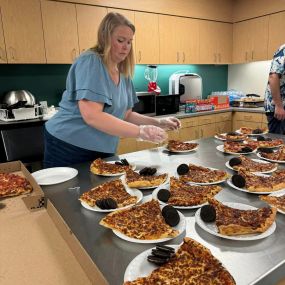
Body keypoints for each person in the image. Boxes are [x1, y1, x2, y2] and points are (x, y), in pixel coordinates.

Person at [44, 12, 180, 168]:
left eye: (129, 42)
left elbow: (126, 114)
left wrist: (158, 123)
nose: (126, 47)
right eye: (120, 40)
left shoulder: (123, 71)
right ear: (105, 38)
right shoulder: (91, 61)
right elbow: (92, 116)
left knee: (106, 191)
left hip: (103, 147)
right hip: (68, 145)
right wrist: (140, 132)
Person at [264, 44, 285, 134]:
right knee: (277, 143)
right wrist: (279, 106)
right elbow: (273, 76)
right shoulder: (283, 50)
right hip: (280, 108)